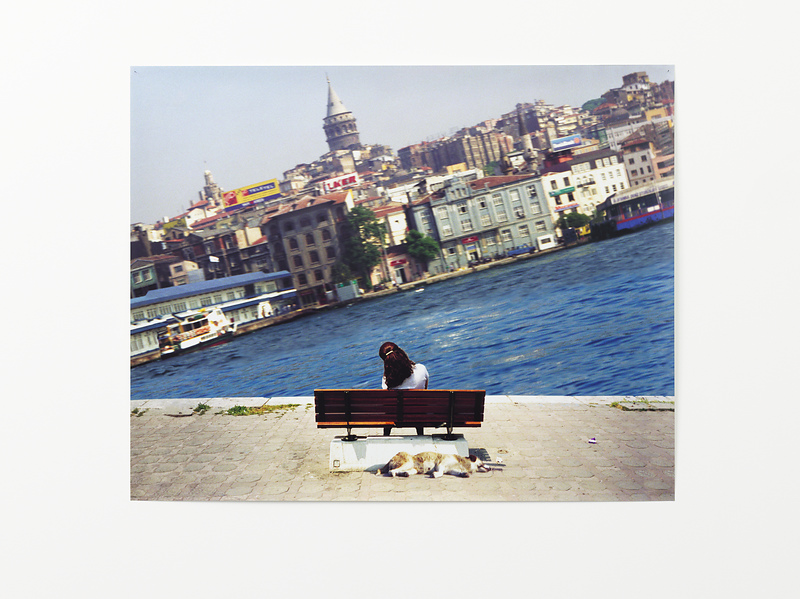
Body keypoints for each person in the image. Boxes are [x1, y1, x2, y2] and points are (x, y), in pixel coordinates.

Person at [378, 342, 429, 436]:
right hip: (419, 417)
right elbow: (424, 391)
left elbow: (388, 404)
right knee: (419, 404)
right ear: (401, 353)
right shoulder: (421, 369)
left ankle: (386, 435)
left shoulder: (386, 380)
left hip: (396, 419)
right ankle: (420, 434)